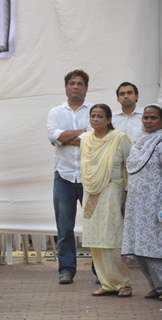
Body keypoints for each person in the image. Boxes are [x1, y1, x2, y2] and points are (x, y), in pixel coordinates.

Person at [80, 104, 132, 297]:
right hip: (91, 192)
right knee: (95, 237)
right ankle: (107, 283)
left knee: (111, 236)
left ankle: (123, 283)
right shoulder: (86, 139)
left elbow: (130, 166)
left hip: (111, 190)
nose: (95, 119)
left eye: (99, 116)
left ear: (109, 119)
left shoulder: (120, 138)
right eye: (92, 116)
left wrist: (127, 193)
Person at [47, 69, 91, 284]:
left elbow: (95, 138)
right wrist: (82, 133)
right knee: (64, 227)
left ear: (86, 87)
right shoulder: (56, 112)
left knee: (94, 225)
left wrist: (65, 137)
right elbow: (52, 136)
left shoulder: (95, 110)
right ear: (66, 87)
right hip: (63, 176)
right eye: (72, 83)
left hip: (90, 176)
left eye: (79, 83)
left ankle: (99, 271)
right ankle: (66, 269)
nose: (75, 87)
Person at [122, 104, 162, 300]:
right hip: (136, 204)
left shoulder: (161, 143)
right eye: (145, 118)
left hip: (155, 204)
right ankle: (155, 285)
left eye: (153, 118)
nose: (148, 121)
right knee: (138, 248)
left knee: (153, 248)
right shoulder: (139, 143)